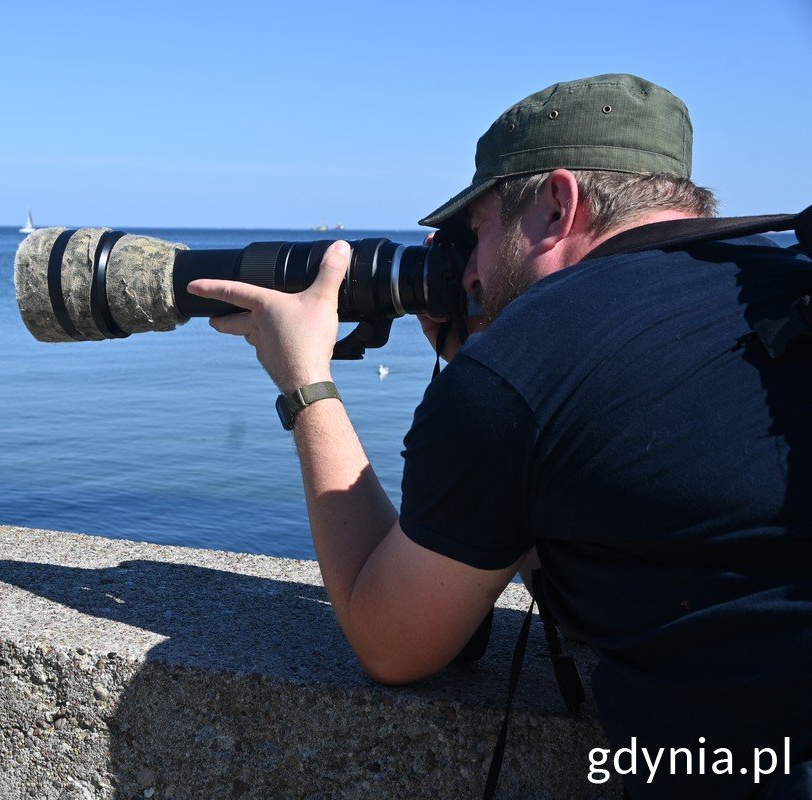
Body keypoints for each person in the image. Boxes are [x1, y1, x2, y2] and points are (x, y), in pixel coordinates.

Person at [187, 73, 811, 799]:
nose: (470, 270)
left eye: (477, 231)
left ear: (558, 201)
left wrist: (305, 382)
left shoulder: (522, 370)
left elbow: (392, 642)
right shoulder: (782, 275)